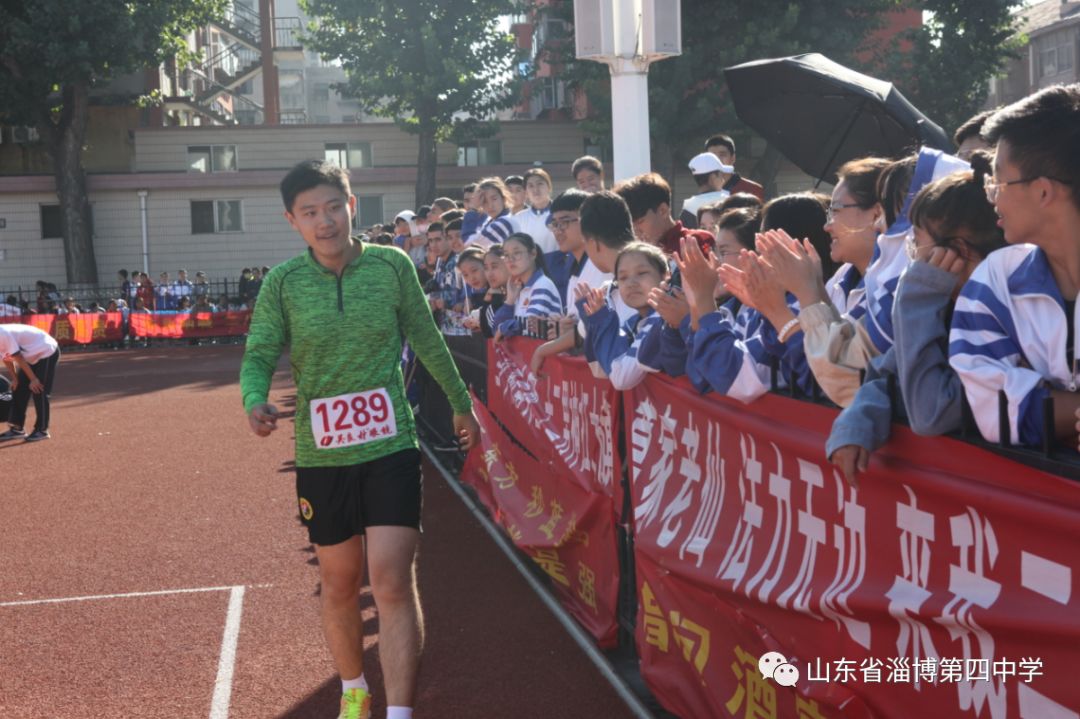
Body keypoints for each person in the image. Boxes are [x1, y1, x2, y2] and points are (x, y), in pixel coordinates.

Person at [240, 159, 479, 719]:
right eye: (309, 213)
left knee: (393, 581)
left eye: (331, 208)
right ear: (292, 221)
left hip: (390, 444)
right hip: (322, 456)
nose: (324, 222)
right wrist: (254, 399)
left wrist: (462, 404)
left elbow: (426, 337)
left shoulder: (392, 266)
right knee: (339, 583)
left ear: (351, 206)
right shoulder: (283, 283)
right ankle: (354, 689)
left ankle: (399, 712)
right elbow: (257, 354)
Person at [828, 151, 1005, 483]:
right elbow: (887, 374)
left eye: (916, 244)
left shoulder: (998, 311)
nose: (911, 258)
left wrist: (915, 299)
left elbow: (930, 412)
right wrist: (857, 422)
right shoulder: (946, 305)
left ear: (956, 252)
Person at [947, 84, 1080, 447]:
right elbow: (997, 415)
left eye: (998, 180)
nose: (990, 195)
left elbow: (1020, 407)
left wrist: (1042, 396)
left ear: (1042, 191)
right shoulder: (994, 280)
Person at [579, 242, 668, 390]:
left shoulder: (661, 316)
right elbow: (600, 369)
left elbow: (621, 379)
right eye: (623, 277)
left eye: (642, 273)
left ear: (665, 275)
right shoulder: (634, 322)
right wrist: (595, 321)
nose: (631, 283)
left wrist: (603, 322)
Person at [614, 172, 715, 255]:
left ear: (663, 211)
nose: (635, 231)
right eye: (630, 225)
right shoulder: (630, 254)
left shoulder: (697, 241)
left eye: (640, 222)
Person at [491, 232, 563, 340]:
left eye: (517, 253)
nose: (511, 259)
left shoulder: (542, 284)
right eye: (506, 255)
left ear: (533, 254)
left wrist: (503, 328)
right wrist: (510, 300)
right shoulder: (519, 288)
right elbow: (495, 329)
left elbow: (530, 326)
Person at [0, 323, 60, 442]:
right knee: (18, 388)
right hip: (30, 356)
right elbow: (6, 358)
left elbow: (18, 357)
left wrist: (33, 379)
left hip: (46, 351)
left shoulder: (2, 334)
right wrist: (15, 379)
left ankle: (42, 430)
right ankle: (17, 428)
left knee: (38, 389)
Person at [680, 152, 734, 229]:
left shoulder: (688, 209)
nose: (723, 180)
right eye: (721, 175)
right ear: (713, 177)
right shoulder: (730, 203)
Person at [704, 133, 766, 201]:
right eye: (712, 156)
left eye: (722, 155)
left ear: (733, 158)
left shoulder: (753, 190)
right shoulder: (704, 189)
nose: (717, 160)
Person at [513, 168, 557, 253]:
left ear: (549, 187)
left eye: (540, 184)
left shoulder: (560, 212)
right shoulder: (519, 218)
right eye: (531, 186)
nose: (535, 190)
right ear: (526, 192)